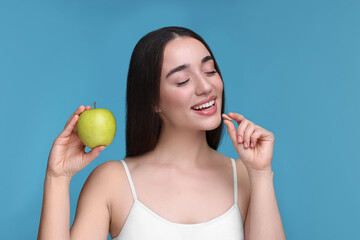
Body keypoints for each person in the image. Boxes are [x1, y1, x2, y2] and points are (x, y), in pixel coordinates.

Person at [38, 26, 286, 240]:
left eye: (210, 71)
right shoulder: (112, 181)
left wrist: (261, 174)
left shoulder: (243, 175)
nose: (206, 86)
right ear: (153, 102)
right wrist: (57, 178)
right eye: (182, 80)